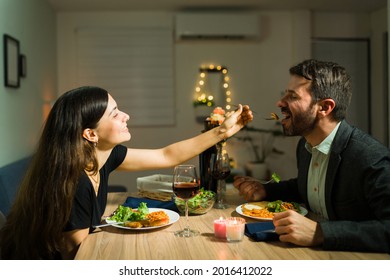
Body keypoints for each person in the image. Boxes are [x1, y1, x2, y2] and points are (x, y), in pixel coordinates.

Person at [0, 86, 253, 259]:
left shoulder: (102, 157)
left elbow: (167, 155)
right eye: (115, 113)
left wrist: (223, 131)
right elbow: (77, 255)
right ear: (90, 134)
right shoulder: (74, 181)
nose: (126, 115)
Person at [234, 59, 390, 253]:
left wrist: (321, 232)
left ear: (324, 107)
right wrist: (267, 191)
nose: (280, 103)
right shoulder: (306, 145)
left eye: (292, 96)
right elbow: (309, 187)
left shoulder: (371, 158)